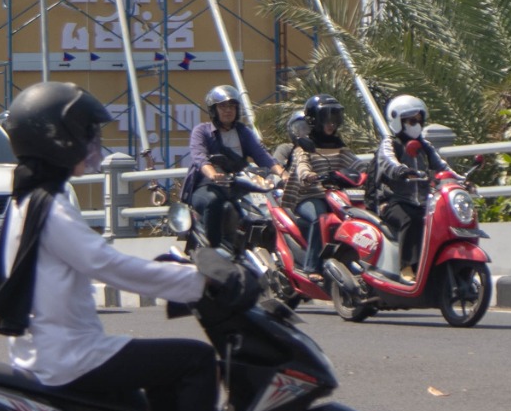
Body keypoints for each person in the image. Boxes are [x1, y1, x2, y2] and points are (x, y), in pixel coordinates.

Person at [0, 81, 247, 411]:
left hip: (48, 350)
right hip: (69, 355)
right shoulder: (53, 207)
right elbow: (108, 265)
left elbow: (96, 261)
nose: (94, 145)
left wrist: (177, 268)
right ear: (58, 139)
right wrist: (199, 282)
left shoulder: (28, 197)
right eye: (87, 134)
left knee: (160, 371)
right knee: (196, 360)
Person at [180, 85, 274, 255]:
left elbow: (262, 156)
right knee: (214, 202)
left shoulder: (243, 132)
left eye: (232, 106)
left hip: (238, 185)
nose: (228, 110)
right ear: (214, 110)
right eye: (223, 106)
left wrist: (283, 174)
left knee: (265, 210)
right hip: (208, 185)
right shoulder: (202, 131)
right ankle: (212, 251)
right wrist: (214, 175)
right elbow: (200, 157)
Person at [370, 94, 449, 272]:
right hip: (393, 202)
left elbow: (442, 165)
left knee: (440, 219)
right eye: (411, 121)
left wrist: (460, 179)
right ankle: (407, 268)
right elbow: (388, 162)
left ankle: (434, 267)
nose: (417, 125)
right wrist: (402, 171)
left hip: (421, 202)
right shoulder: (390, 144)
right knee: (410, 219)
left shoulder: (424, 146)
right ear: (399, 121)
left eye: (419, 121)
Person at [276, 95, 357, 260]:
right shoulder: (303, 148)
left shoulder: (339, 146)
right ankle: (312, 265)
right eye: (326, 120)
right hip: (309, 195)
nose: (331, 124)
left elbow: (357, 164)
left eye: (334, 120)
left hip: (334, 196)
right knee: (319, 218)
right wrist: (308, 175)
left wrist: (371, 171)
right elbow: (302, 167)